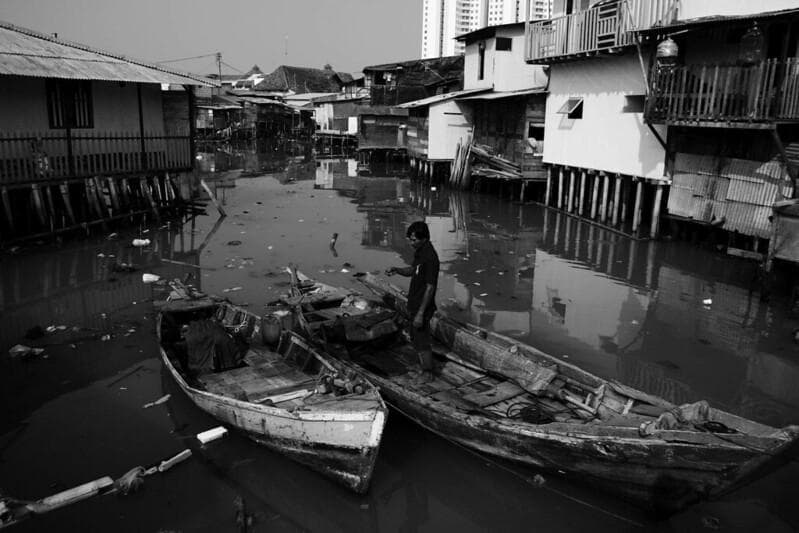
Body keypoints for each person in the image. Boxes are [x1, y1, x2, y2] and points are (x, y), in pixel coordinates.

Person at [386, 221, 440, 382]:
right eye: (409, 239)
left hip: (422, 307)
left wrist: (421, 314)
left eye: (414, 240)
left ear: (424, 239)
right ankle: (424, 366)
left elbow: (430, 287)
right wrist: (397, 270)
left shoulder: (430, 258)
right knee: (416, 339)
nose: (411, 243)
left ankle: (428, 373)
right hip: (415, 304)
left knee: (422, 341)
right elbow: (412, 270)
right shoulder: (420, 252)